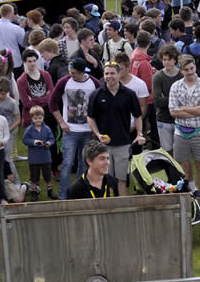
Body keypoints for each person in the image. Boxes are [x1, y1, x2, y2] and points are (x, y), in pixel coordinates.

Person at [87, 61, 145, 196]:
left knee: (122, 179)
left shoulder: (129, 94)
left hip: (123, 143)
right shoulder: (96, 94)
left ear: (119, 74)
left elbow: (137, 116)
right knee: (107, 179)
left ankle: (124, 207)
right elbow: (90, 117)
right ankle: (110, 207)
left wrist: (139, 133)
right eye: (106, 73)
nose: (109, 76)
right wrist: (97, 134)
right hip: (103, 146)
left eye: (112, 73)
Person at [49, 58, 101, 199]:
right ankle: (63, 196)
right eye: (70, 72)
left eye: (74, 73)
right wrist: (61, 122)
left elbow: (99, 106)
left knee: (84, 164)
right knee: (67, 164)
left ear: (83, 72)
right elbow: (52, 102)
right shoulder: (64, 82)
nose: (71, 75)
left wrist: (95, 129)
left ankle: (79, 193)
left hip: (87, 131)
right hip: (70, 131)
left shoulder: (94, 83)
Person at [170, 55, 200, 209]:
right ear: (181, 70)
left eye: (192, 68)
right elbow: (173, 111)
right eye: (186, 70)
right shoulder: (175, 86)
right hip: (180, 133)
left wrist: (183, 109)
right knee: (184, 165)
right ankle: (190, 193)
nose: (190, 72)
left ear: (195, 67)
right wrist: (194, 111)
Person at [22, 106, 55, 201]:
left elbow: (52, 139)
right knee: (34, 176)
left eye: (40, 118)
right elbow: (25, 140)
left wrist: (49, 143)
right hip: (34, 158)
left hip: (45, 157)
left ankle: (50, 190)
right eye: (35, 118)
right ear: (31, 118)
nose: (38, 120)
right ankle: (34, 191)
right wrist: (33, 142)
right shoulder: (29, 129)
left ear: (43, 117)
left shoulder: (47, 129)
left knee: (47, 175)